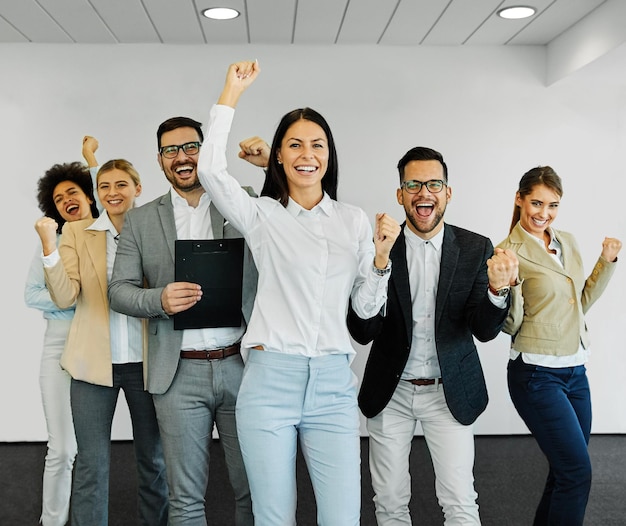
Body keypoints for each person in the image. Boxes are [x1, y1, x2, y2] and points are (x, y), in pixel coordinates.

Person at [196, 60, 400, 526]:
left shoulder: (353, 220)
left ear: (328, 155)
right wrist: (231, 92)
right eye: (295, 145)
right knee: (273, 518)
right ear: (279, 158)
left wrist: (382, 259)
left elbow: (365, 308)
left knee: (342, 518)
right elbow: (211, 171)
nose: (307, 154)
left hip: (333, 382)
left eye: (317, 144)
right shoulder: (262, 215)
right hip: (270, 380)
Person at [347, 146, 519, 525]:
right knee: (389, 503)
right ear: (400, 194)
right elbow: (363, 331)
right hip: (391, 392)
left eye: (434, 184)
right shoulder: (380, 247)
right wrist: (378, 262)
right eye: (413, 184)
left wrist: (497, 290)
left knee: (459, 501)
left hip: (449, 391)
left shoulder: (476, 248)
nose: (424, 192)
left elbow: (485, 331)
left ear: (447, 192)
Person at [107, 116, 256, 526]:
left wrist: (267, 164)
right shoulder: (140, 220)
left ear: (205, 152)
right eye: (171, 150)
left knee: (254, 489)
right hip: (178, 374)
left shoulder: (241, 200)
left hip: (243, 366)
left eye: (191, 147)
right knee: (185, 498)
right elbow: (117, 290)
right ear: (159, 160)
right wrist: (159, 299)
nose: (182, 157)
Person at [39, 155, 169, 526]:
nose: (112, 193)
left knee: (153, 462)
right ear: (98, 192)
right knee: (92, 465)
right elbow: (64, 297)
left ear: (138, 189)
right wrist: (50, 247)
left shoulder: (155, 229)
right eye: (105, 186)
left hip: (147, 363)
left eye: (121, 185)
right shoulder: (77, 233)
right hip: (92, 366)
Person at [497, 165, 621, 526]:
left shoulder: (566, 240)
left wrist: (606, 263)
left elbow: (578, 302)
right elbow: (510, 325)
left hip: (575, 370)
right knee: (576, 474)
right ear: (519, 199)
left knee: (564, 471)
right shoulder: (506, 251)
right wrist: (509, 285)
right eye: (536, 203)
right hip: (536, 374)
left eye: (553, 205)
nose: (544, 213)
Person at [24, 161, 99, 526]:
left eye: (73, 192)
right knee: (63, 447)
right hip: (59, 346)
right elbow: (31, 294)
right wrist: (70, 295)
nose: (66, 199)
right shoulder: (50, 245)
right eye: (58, 198)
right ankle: (51, 521)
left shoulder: (108, 235)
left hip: (95, 347)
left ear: (88, 195)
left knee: (91, 450)